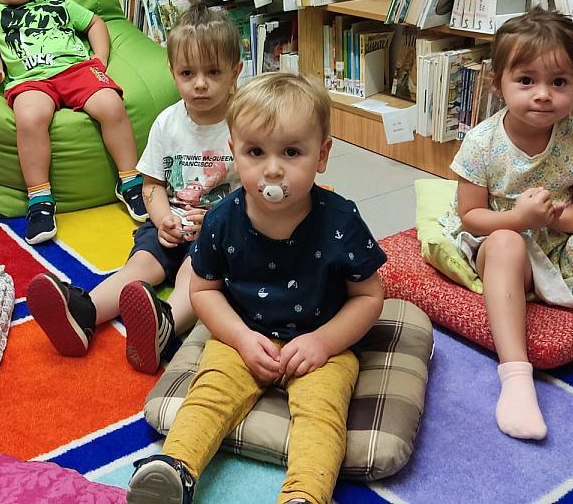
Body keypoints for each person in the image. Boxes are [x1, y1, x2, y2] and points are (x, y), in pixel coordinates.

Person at [126, 73, 386, 504]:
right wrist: (241, 338)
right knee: (209, 394)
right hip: (244, 334)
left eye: (291, 152)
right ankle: (175, 469)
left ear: (322, 155)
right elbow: (204, 291)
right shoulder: (221, 219)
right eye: (255, 152)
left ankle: (305, 494)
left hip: (322, 343)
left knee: (322, 414)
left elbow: (369, 296)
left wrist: (324, 342)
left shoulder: (342, 220)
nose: (273, 168)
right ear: (234, 153)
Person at [439, 8, 573, 441]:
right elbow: (471, 216)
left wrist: (555, 217)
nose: (542, 95)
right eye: (526, 81)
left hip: (562, 240)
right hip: (502, 239)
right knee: (506, 243)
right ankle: (516, 377)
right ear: (497, 84)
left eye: (558, 82)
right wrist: (520, 219)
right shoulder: (481, 142)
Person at [27, 2, 243, 375]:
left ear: (235, 72)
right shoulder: (167, 123)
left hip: (221, 232)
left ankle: (166, 325)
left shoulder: (245, 123)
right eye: (187, 73)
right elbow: (152, 186)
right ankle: (84, 313)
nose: (200, 83)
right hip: (170, 222)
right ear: (172, 72)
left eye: (213, 72)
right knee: (140, 266)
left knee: (195, 273)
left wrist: (219, 220)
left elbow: (257, 188)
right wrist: (161, 219)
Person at [0, 0, 146, 243]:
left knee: (111, 104)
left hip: (76, 70)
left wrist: (100, 58)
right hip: (30, 80)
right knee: (29, 117)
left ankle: (130, 180)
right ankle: (39, 198)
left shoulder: (58, 2)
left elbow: (94, 23)